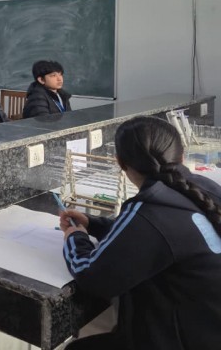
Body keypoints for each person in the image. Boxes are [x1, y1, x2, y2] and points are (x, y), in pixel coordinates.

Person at [59, 116, 221, 350]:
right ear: (181, 155)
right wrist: (94, 224)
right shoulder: (204, 188)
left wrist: (74, 238)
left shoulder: (150, 209)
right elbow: (151, 238)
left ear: (120, 162)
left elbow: (92, 276)